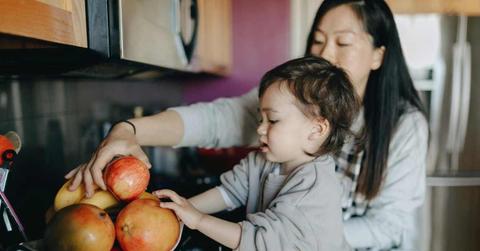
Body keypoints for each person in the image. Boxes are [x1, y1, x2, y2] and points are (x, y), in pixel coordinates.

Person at [65, 0, 429, 250]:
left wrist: (310, 236)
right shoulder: (286, 111)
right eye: (317, 41)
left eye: (343, 43)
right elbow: (217, 122)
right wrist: (129, 130)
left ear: (379, 54)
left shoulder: (404, 126)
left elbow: (387, 225)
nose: (325, 55)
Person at [155, 56, 359, 250]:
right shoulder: (264, 160)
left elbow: (258, 242)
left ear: (316, 130)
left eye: (273, 120)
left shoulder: (313, 188)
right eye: (261, 119)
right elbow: (230, 192)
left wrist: (198, 220)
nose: (260, 129)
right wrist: (182, 210)